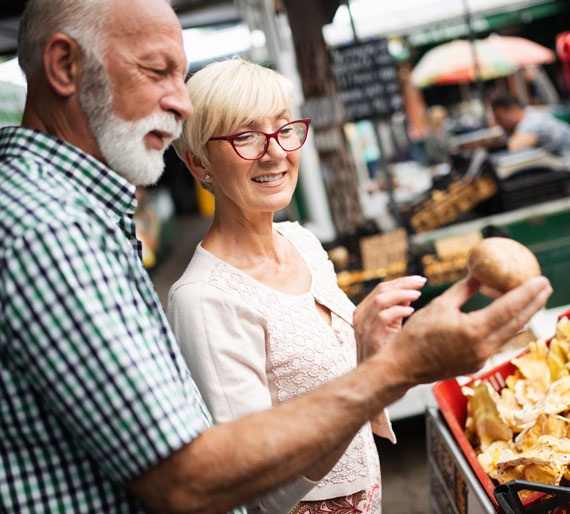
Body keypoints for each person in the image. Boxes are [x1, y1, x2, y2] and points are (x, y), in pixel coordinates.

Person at [0, 0, 552, 512]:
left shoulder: (302, 242)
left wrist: (369, 352)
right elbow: (199, 478)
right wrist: (399, 367)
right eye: (156, 70)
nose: (180, 99)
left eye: (286, 129)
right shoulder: (54, 232)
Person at [168, 57, 427, 513]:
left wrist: (385, 351)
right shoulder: (203, 299)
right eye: (246, 135)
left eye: (285, 129)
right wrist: (372, 375)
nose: (275, 151)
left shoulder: (301, 242)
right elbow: (260, 487)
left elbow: (358, 384)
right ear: (198, 161)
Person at [490, 92, 570, 161]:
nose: (498, 123)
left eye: (500, 118)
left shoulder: (533, 122)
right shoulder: (529, 113)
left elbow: (514, 146)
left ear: (514, 110)